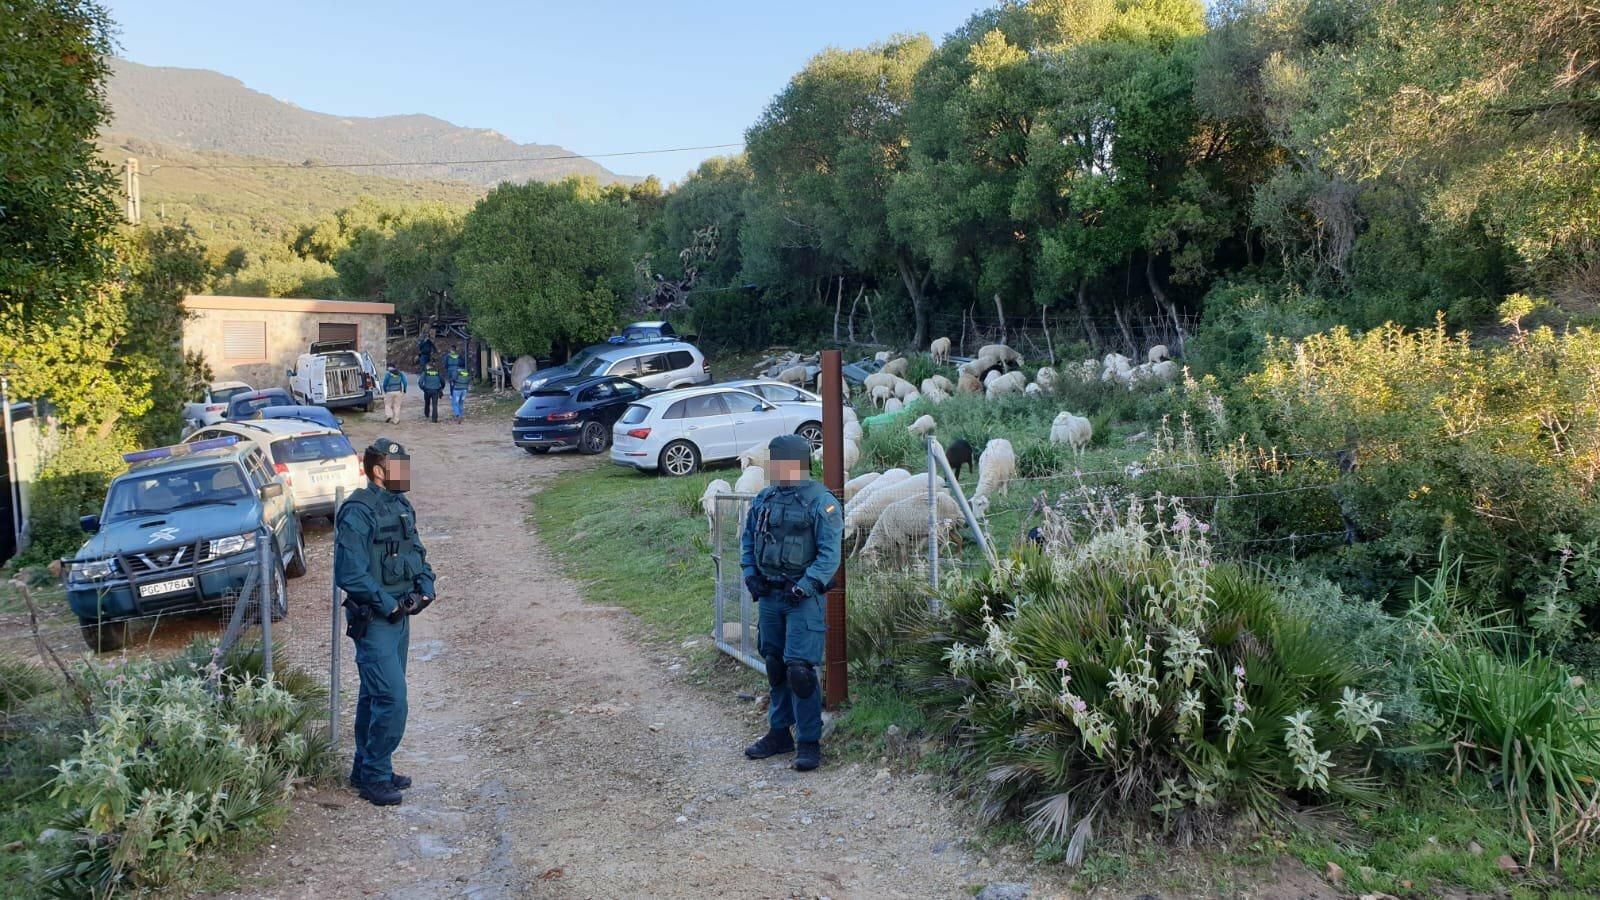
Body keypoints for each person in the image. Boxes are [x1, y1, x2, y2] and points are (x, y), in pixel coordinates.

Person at [334, 438, 436, 807]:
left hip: (399, 619)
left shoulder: (401, 504)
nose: (405, 473)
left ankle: (367, 768)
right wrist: (388, 605)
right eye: (398, 467)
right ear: (378, 471)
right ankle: (374, 778)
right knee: (392, 699)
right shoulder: (357, 512)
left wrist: (425, 588)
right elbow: (349, 573)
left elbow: (417, 553)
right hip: (375, 621)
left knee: (374, 695)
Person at [739, 435, 842, 772]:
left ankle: (809, 741)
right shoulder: (764, 499)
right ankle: (779, 732)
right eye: (774, 463)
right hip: (770, 596)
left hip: (802, 599)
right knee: (775, 664)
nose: (777, 469)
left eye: (783, 463)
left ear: (799, 464)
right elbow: (748, 539)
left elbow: (830, 554)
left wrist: (806, 585)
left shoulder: (821, 502)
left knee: (800, 670)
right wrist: (750, 574)